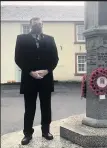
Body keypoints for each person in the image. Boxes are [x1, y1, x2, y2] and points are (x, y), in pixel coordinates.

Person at [14, 17, 59, 145]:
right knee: (29, 108)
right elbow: (18, 58)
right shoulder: (21, 39)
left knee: (46, 107)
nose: (37, 26)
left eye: (39, 24)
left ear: (42, 25)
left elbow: (55, 58)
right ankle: (27, 134)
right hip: (29, 79)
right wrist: (30, 72)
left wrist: (47, 71)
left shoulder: (50, 39)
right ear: (30, 25)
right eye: (35, 24)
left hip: (46, 79)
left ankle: (46, 131)